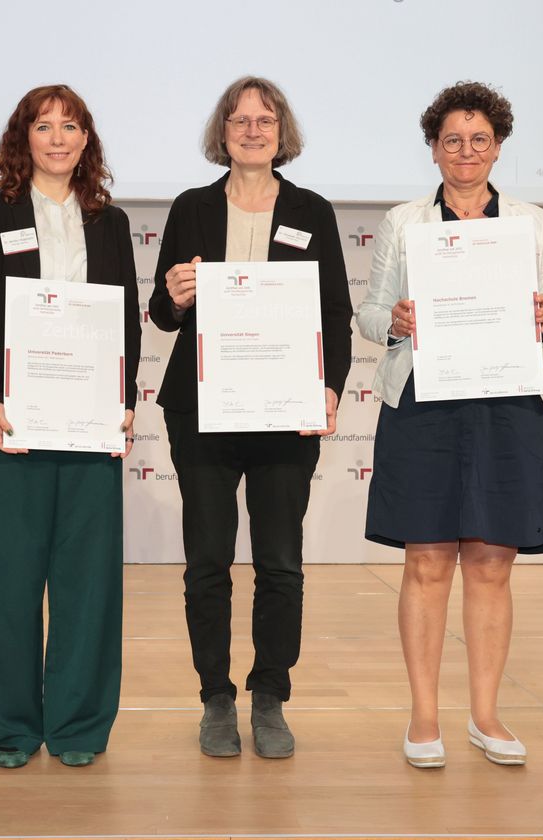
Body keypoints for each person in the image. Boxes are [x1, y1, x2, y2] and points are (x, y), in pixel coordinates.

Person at [355, 82, 543, 770]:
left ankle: (485, 714)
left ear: (499, 146)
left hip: (507, 402)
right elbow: (367, 315)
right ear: (434, 148)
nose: (466, 151)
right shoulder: (403, 222)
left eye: (479, 139)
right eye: (452, 140)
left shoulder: (530, 222)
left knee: (491, 563)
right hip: (426, 401)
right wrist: (394, 320)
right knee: (424, 561)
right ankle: (424, 717)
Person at [148, 76, 351, 760]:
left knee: (280, 562)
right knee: (207, 560)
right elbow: (159, 310)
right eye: (240, 120)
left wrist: (330, 388)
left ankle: (269, 694)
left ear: (282, 130)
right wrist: (174, 297)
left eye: (265, 119)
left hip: (286, 409)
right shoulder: (191, 207)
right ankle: (214, 696)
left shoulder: (313, 211)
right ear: (223, 132)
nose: (253, 129)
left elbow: (333, 315)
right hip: (201, 408)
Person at [0, 84, 140, 769]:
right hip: (12, 422)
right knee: (4, 583)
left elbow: (124, 320)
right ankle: (8, 728)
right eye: (44, 125)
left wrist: (122, 399)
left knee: (87, 583)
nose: (58, 137)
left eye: (71, 126)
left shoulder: (111, 222)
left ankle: (79, 724)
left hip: (90, 426)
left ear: (86, 140)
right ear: (22, 137)